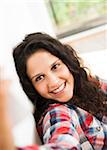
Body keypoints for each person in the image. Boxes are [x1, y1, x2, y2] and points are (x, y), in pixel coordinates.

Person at [0, 32, 107, 150]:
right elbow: (63, 145)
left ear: (67, 62)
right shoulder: (56, 113)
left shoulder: (90, 83)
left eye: (55, 67)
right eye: (39, 78)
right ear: (31, 87)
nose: (54, 82)